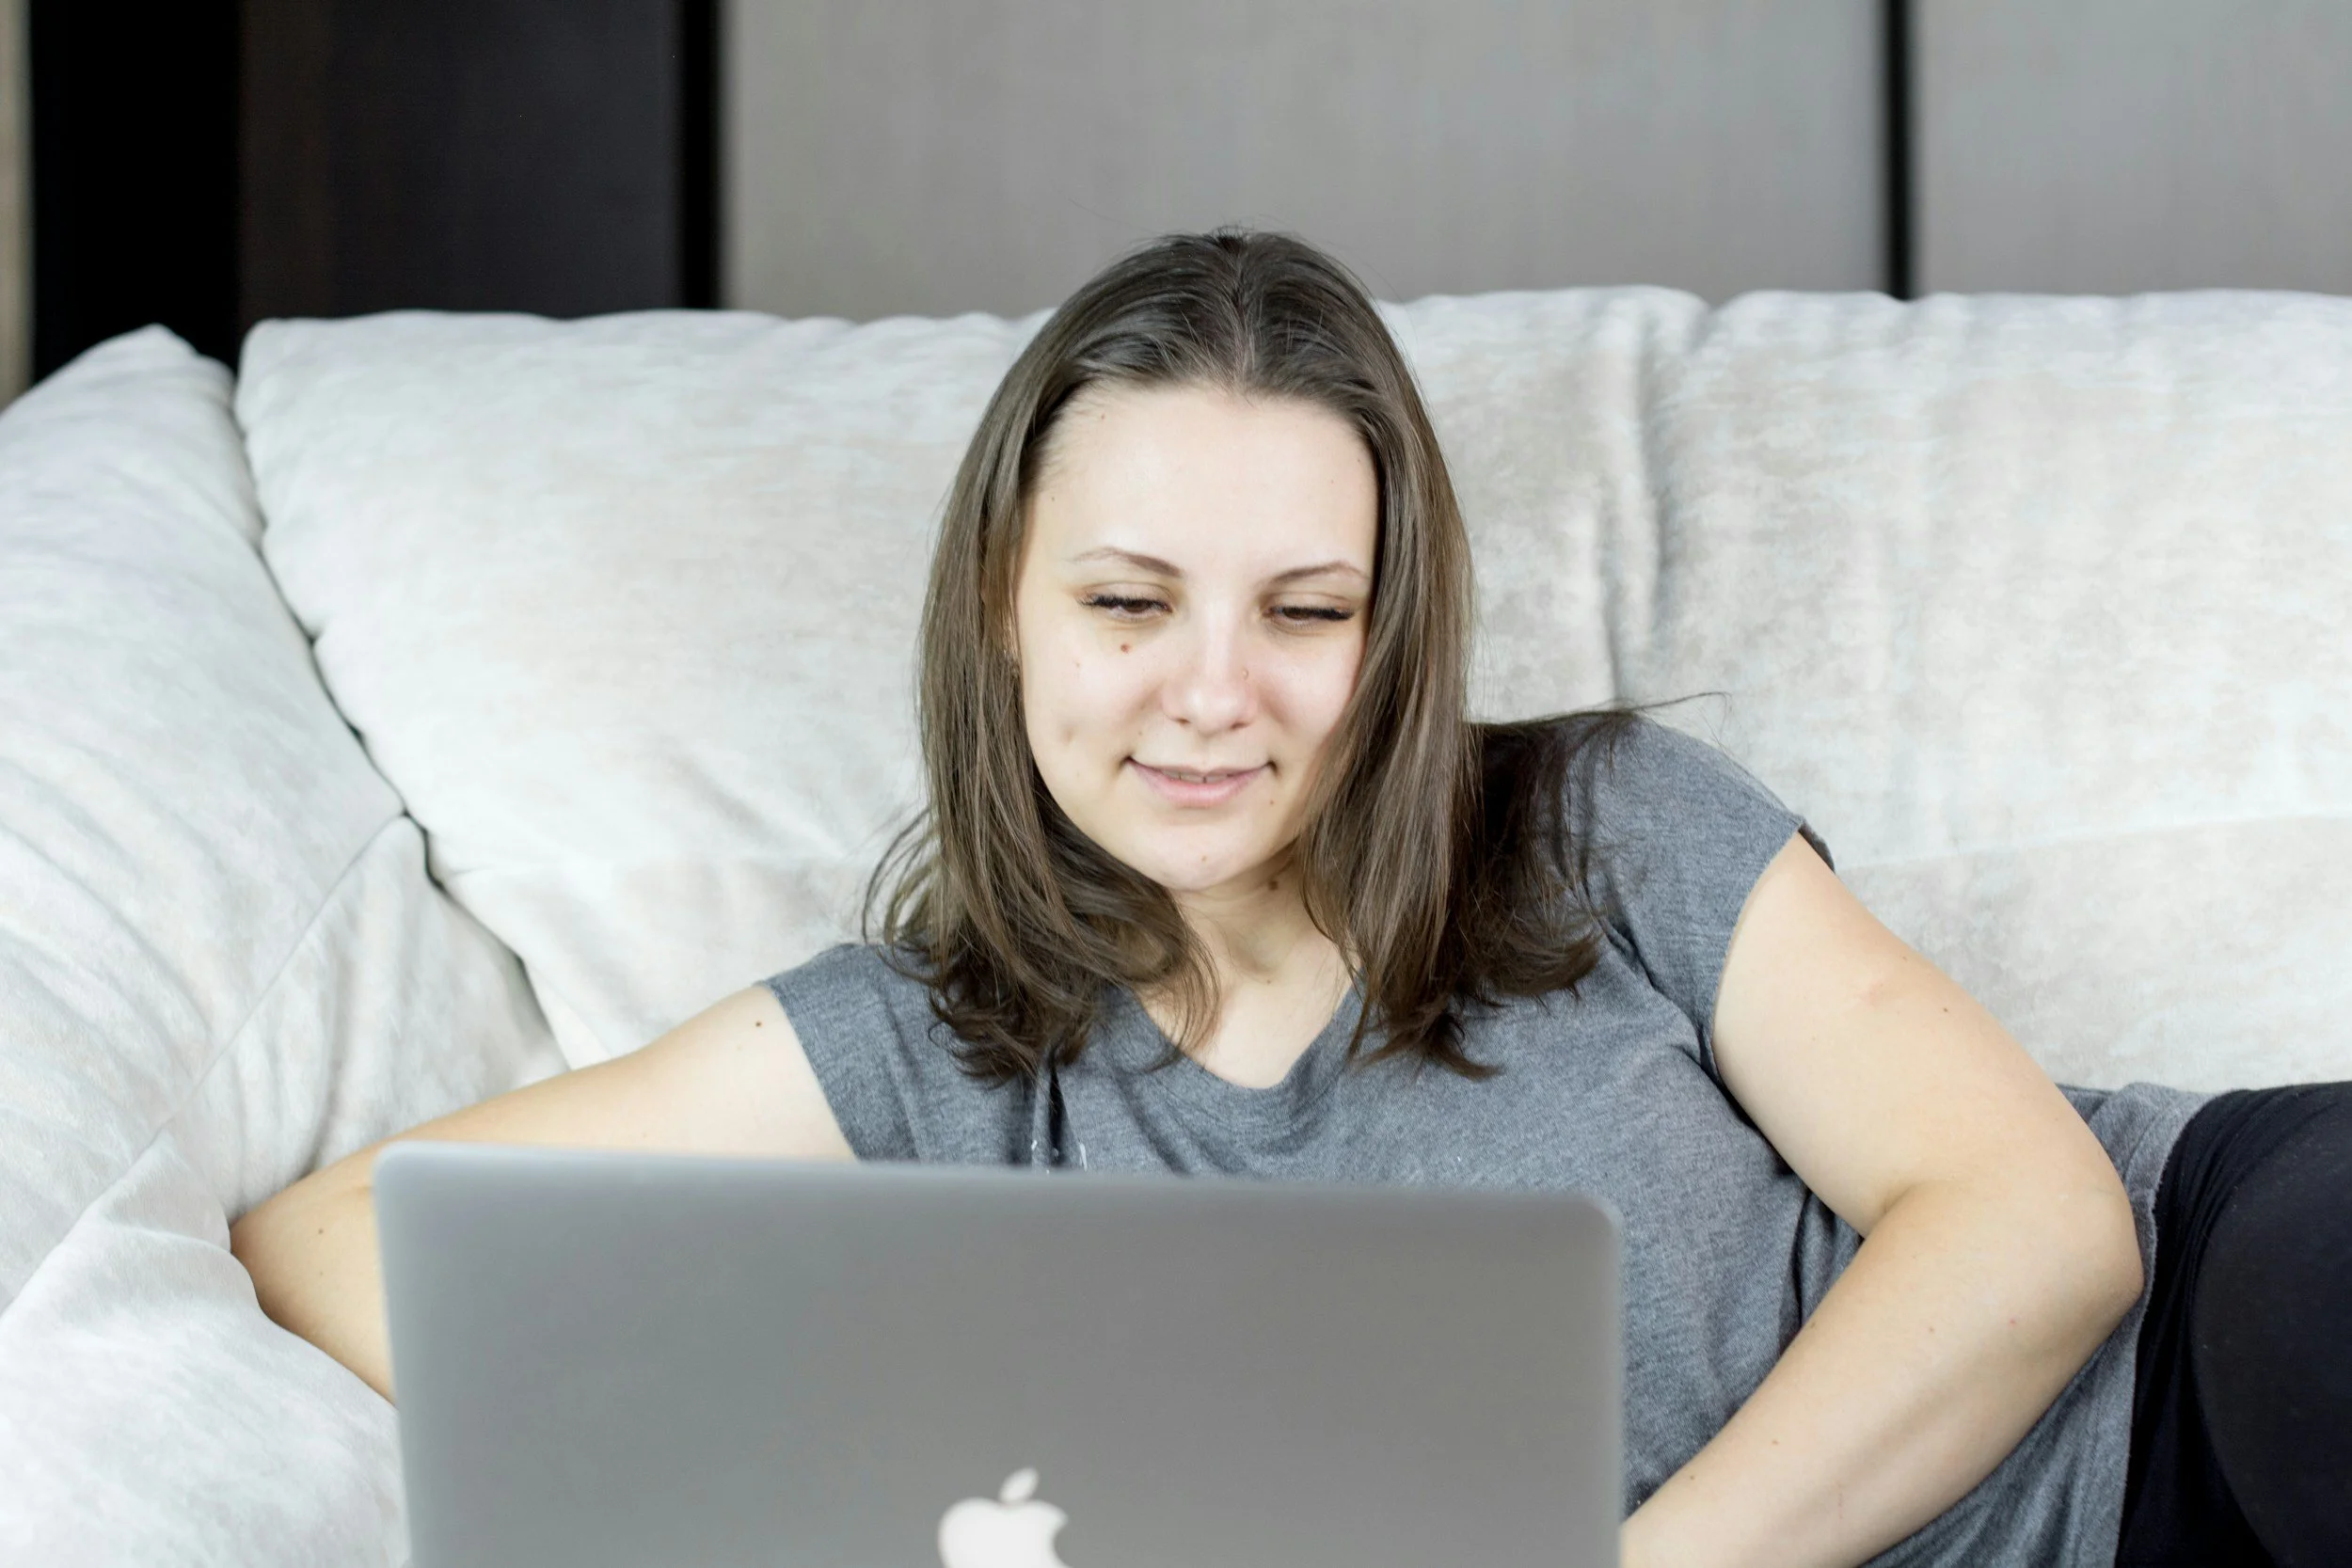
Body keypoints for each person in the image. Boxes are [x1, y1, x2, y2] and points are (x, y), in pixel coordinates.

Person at [232, 228, 2349, 1568]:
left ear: (1392, 631)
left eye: (1305, 607)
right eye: (1129, 600)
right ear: (1002, 614)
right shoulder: (926, 1052)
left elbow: (2038, 1221)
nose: (1211, 694)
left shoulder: (1599, 824)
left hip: (2189, 1336)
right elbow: (338, 1239)